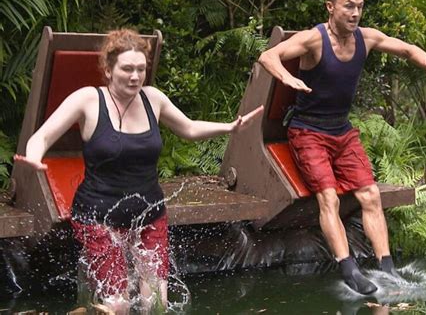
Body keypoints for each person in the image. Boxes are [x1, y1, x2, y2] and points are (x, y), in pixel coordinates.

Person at [14, 29, 263, 314]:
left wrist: (229, 127)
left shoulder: (153, 98)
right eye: (127, 69)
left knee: (156, 304)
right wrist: (34, 157)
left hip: (149, 213)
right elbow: (42, 137)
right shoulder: (87, 100)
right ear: (108, 69)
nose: (135, 76)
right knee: (117, 305)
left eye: (141, 69)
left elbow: (189, 128)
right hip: (99, 216)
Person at [258, 0, 426, 295]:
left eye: (360, 6)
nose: (355, 13)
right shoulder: (314, 40)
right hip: (308, 131)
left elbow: (407, 49)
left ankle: (387, 268)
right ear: (331, 7)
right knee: (329, 198)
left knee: (371, 195)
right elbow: (268, 57)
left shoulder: (367, 38)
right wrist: (288, 78)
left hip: (342, 132)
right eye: (349, 5)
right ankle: (348, 268)